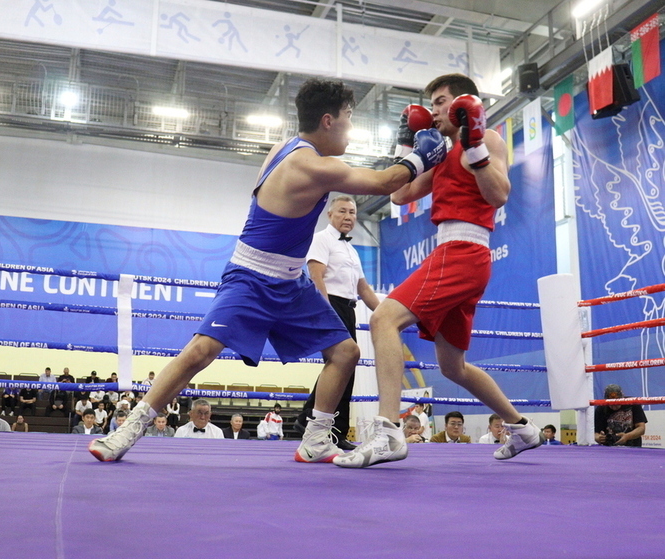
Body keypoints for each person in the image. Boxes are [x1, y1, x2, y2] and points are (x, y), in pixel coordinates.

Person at [89, 77, 420, 463]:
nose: (351, 127)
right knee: (201, 350)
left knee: (345, 351)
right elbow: (386, 182)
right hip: (252, 275)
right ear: (328, 121)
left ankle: (315, 439)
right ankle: (127, 429)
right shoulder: (310, 164)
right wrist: (420, 150)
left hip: (291, 282)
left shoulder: (286, 148)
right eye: (348, 117)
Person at [335, 73, 543, 468]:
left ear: (466, 103)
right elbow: (399, 194)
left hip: (463, 250)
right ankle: (522, 427)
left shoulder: (486, 141)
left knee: (383, 319)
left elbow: (499, 193)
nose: (433, 110)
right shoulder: (442, 152)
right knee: (453, 366)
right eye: (431, 103)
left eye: (442, 101)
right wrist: (407, 144)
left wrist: (477, 145)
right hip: (456, 251)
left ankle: (389, 433)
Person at [293, 195, 381, 450]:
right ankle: (321, 425)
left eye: (352, 212)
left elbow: (363, 288)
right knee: (340, 366)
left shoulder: (351, 250)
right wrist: (325, 311)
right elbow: (316, 276)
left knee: (344, 368)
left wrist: (388, 314)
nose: (348, 216)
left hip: (348, 307)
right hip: (330, 304)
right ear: (330, 214)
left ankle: (321, 424)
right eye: (342, 211)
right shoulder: (322, 239)